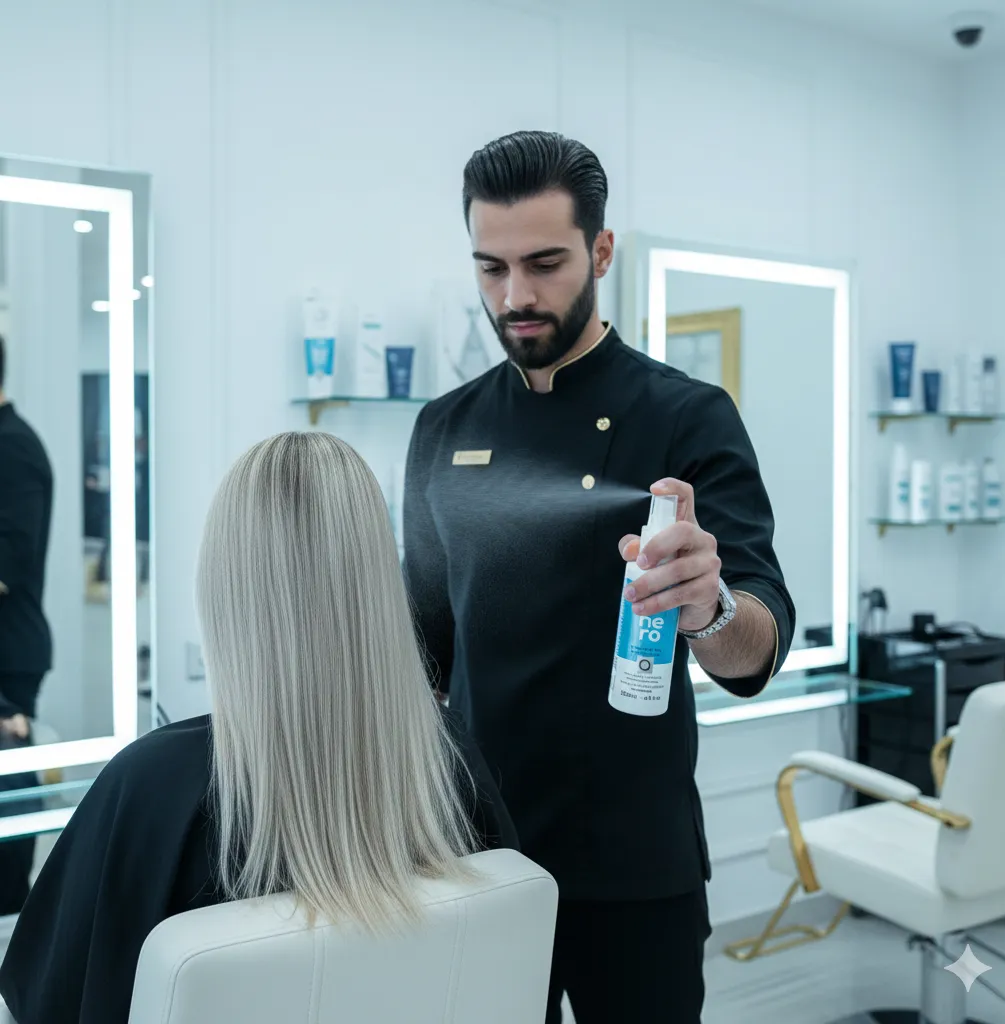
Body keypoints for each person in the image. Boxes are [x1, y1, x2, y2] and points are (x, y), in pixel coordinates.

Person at [403, 131, 795, 1022]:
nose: (516, 296)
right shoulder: (440, 427)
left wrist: (711, 606)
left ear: (603, 250)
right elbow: (424, 652)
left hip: (633, 867)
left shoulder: (687, 415)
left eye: (544, 263)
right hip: (478, 858)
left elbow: (757, 647)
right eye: (490, 268)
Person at [0, 431, 518, 1024]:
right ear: (378, 578)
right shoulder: (447, 758)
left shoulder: (152, 788)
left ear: (223, 583)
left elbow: (44, 1004)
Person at [0, 334, 53, 915]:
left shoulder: (13, 448)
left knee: (9, 804)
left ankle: (11, 921)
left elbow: (7, 565)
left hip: (8, 655)